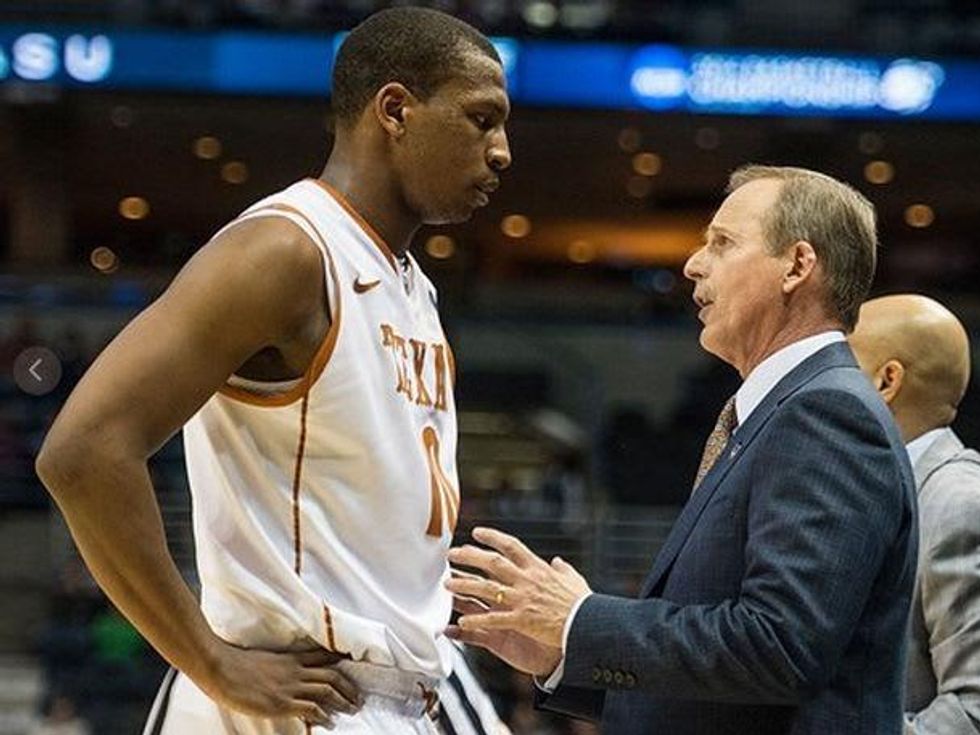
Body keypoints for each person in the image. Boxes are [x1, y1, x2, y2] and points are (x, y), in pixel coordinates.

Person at [35, 7, 511, 734]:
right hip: (296, 693)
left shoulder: (411, 282)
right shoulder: (287, 252)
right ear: (394, 110)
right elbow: (82, 450)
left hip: (393, 693)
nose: (503, 151)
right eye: (482, 119)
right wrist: (210, 659)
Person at [445, 165, 917, 734]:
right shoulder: (782, 410)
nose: (694, 263)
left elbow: (780, 648)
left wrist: (581, 620)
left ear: (797, 266)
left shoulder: (826, 413)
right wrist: (563, 656)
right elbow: (725, 690)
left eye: (722, 243)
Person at [849, 294, 980, 735]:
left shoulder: (960, 503)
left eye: (844, 365)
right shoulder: (882, 486)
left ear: (887, 380)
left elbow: (973, 709)